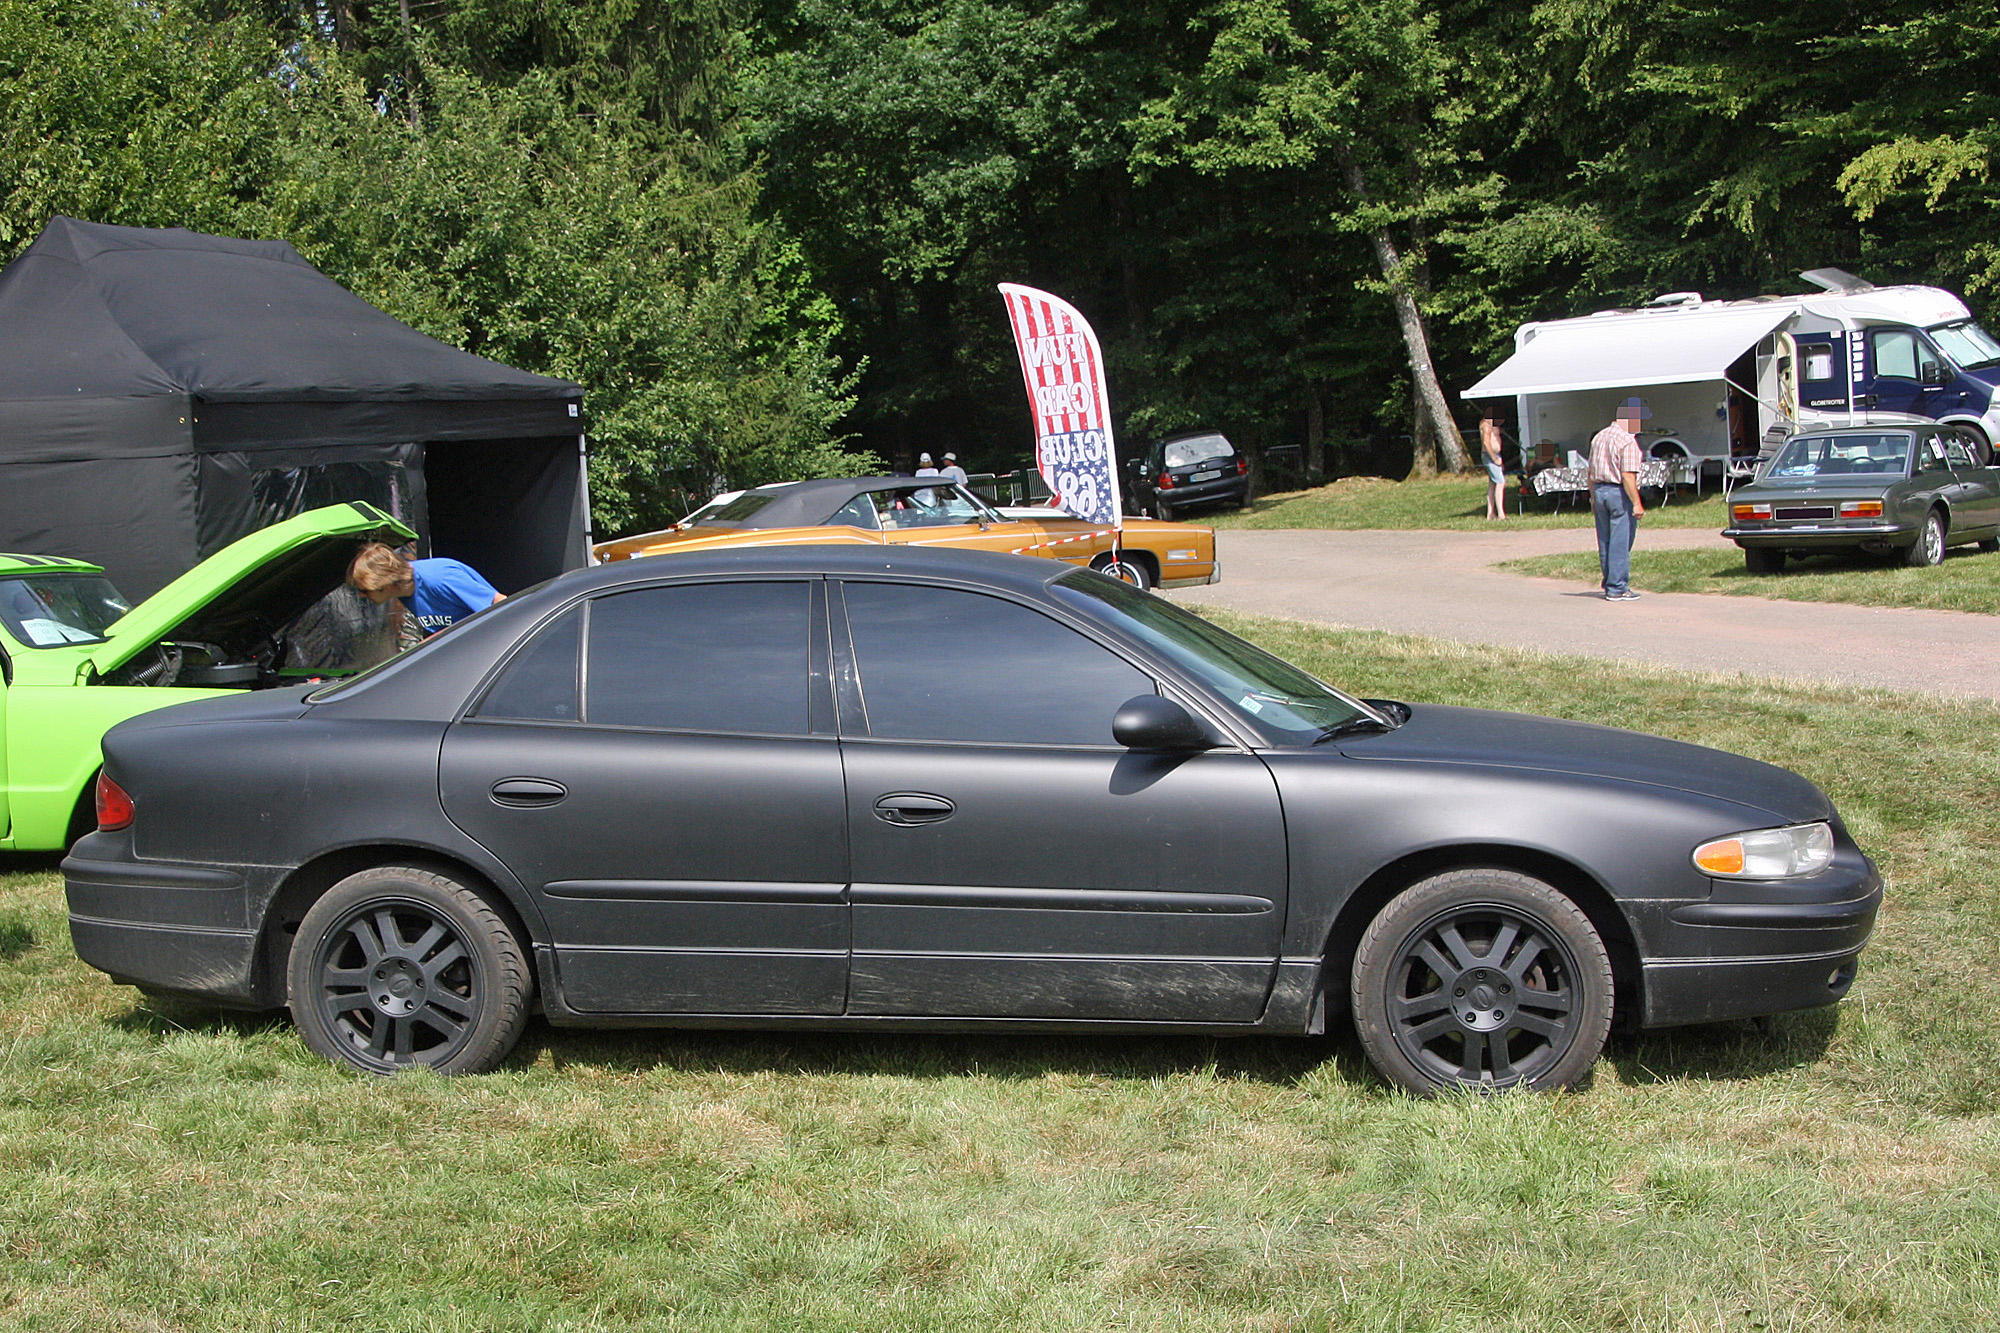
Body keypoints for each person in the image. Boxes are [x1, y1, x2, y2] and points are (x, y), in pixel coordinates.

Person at [349, 542, 505, 637]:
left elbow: (501, 604)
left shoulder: (441, 577)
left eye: (365, 590)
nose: (362, 596)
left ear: (385, 584)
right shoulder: (404, 592)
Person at [1589, 397, 1648, 601]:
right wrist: (1637, 502)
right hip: (1618, 492)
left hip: (1599, 490)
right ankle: (1617, 587)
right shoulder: (1627, 441)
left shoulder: (1599, 437)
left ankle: (1609, 582)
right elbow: (1627, 476)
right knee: (1620, 541)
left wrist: (1592, 497)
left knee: (1604, 540)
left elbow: (1590, 471)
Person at [1479, 404, 1507, 520]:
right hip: (1490, 456)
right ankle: (1501, 514)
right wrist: (1494, 458)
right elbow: (1486, 443)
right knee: (1501, 482)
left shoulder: (1492, 424)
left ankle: (1490, 513)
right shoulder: (1486, 425)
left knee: (1493, 484)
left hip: (1495, 455)